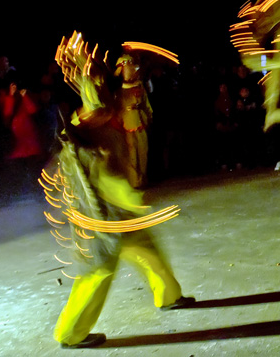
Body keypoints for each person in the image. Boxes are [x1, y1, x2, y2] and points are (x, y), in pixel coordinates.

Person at [47, 34, 194, 349]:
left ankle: (169, 296)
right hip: (101, 213)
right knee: (99, 269)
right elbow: (95, 111)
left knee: (147, 249)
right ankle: (71, 333)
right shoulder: (93, 115)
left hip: (119, 206)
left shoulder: (111, 107)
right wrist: (87, 76)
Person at [112, 53, 152, 188]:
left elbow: (147, 104)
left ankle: (143, 179)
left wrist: (148, 116)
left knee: (143, 153)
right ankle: (135, 181)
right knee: (132, 155)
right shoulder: (119, 92)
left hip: (140, 123)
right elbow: (116, 110)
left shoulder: (140, 87)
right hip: (127, 127)